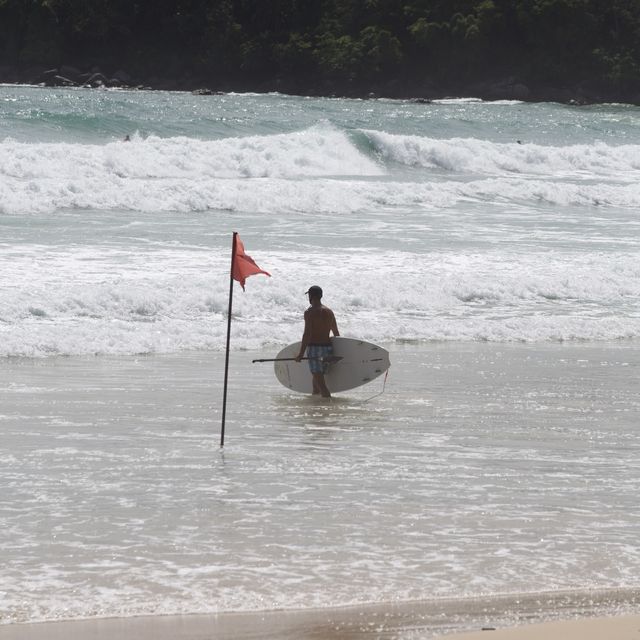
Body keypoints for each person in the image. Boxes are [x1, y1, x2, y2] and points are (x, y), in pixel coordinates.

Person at [295, 285, 340, 397]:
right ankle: (316, 403)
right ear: (321, 296)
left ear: (310, 296)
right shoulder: (329, 312)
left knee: (322, 385)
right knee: (316, 384)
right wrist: (338, 351)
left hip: (315, 350)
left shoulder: (309, 312)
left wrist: (300, 353)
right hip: (328, 349)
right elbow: (336, 333)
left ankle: (327, 409)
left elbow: (307, 334)